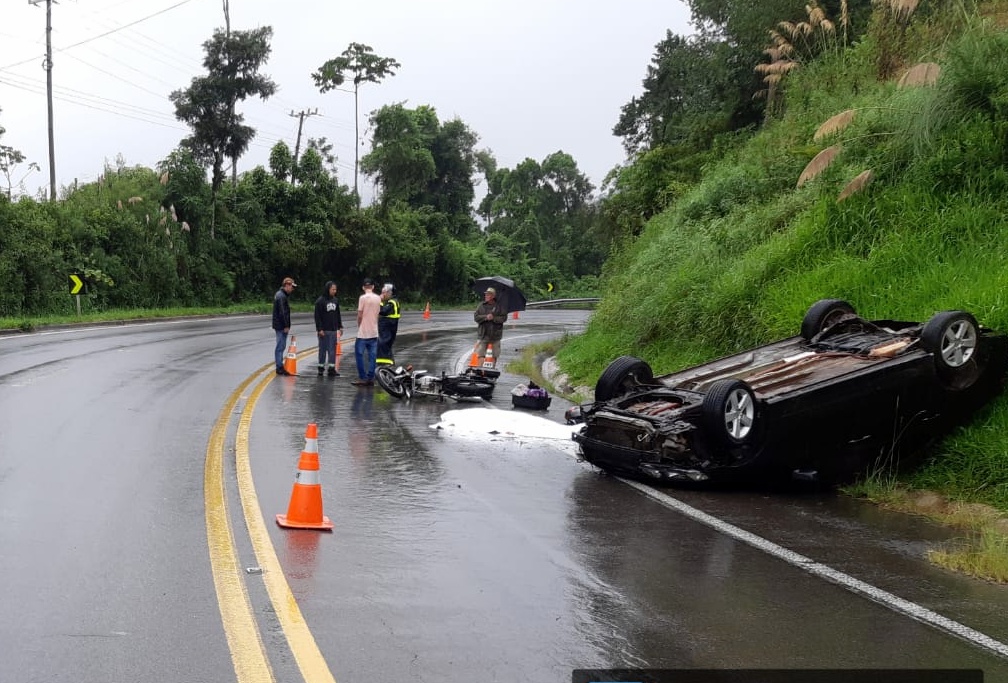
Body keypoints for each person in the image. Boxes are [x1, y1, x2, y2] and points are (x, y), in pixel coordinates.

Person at [352, 278, 381, 386]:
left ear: (363, 287)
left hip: (363, 333)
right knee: (372, 356)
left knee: (359, 355)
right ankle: (371, 378)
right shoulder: (378, 298)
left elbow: (360, 315)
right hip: (374, 332)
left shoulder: (362, 298)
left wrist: (359, 325)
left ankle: (363, 378)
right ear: (373, 287)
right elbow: (377, 314)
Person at [314, 280, 343, 377]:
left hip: (333, 330)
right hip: (324, 330)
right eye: (333, 289)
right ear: (328, 289)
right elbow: (317, 317)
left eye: (335, 289)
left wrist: (340, 326)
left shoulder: (335, 300)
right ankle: (321, 368)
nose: (334, 291)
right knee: (322, 350)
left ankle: (331, 369)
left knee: (332, 350)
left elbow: (338, 314)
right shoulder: (320, 301)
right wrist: (319, 329)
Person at [474, 286, 506, 365]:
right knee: (480, 354)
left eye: (488, 295)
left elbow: (504, 318)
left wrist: (494, 318)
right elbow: (476, 317)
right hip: (483, 334)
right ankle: (480, 371)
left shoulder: (500, 306)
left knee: (494, 355)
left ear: (493, 296)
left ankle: (492, 371)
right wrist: (485, 317)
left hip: (495, 335)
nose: (486, 296)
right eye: (486, 294)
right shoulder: (481, 305)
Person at [272, 276, 296, 375]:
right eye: (291, 287)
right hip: (281, 326)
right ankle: (279, 367)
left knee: (281, 345)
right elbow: (282, 312)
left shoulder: (281, 295)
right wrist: (286, 325)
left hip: (279, 325)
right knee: (280, 346)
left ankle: (280, 366)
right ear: (287, 285)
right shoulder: (281, 296)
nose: (292, 289)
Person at [376, 283, 400, 367]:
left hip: (387, 326)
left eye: (384, 293)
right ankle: (389, 361)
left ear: (389, 292)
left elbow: (383, 311)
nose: (383, 295)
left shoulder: (392, 303)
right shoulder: (394, 301)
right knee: (387, 344)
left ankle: (384, 363)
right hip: (391, 326)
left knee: (383, 344)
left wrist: (380, 302)